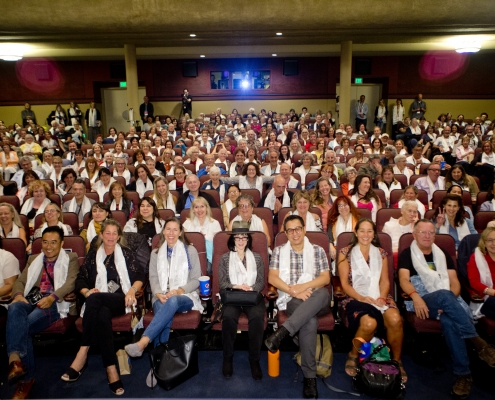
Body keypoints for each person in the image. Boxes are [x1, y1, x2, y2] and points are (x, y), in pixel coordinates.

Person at [398, 219, 495, 399]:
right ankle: (478, 342)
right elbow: (403, 279)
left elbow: (455, 283)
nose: (427, 236)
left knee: (448, 320)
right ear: (414, 234)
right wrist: (415, 297)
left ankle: (463, 375)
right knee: (444, 295)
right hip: (422, 300)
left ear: (435, 235)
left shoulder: (442, 253)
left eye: (431, 232)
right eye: (423, 232)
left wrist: (449, 301)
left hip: (446, 300)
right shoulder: (407, 254)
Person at [62, 220, 144, 396]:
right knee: (102, 314)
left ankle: (83, 351)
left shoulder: (126, 254)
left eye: (115, 233)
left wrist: (132, 290)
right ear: (101, 235)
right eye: (107, 233)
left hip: (121, 300)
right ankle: (111, 369)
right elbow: (80, 280)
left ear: (119, 236)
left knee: (95, 299)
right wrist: (86, 291)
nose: (111, 237)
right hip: (99, 304)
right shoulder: (93, 256)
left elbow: (139, 275)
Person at [124, 217, 202, 386]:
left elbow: (196, 279)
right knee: (163, 310)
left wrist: (179, 290)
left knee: (172, 302)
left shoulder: (190, 251)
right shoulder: (156, 253)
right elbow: (153, 278)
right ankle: (158, 366)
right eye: (168, 229)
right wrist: (159, 293)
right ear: (163, 231)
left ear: (180, 232)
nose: (171, 233)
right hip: (160, 297)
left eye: (175, 229)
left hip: (185, 297)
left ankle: (143, 342)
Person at [265, 215, 331, 399]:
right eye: (290, 230)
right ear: (286, 233)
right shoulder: (279, 251)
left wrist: (302, 287)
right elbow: (272, 278)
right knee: (309, 322)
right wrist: (293, 291)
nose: (295, 233)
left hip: (317, 298)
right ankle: (310, 378)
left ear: (304, 230)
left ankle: (283, 331)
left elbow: (325, 278)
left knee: (323, 293)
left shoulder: (317, 250)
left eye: (298, 229)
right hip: (292, 299)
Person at [8, 226, 78, 399]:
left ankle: (25, 377)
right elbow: (20, 281)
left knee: (22, 326)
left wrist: (52, 297)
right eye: (45, 242)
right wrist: (18, 295)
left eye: (53, 242)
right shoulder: (34, 259)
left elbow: (70, 282)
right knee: (14, 307)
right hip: (31, 299)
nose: (48, 247)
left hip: (54, 303)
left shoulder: (71, 258)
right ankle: (16, 361)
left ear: (61, 243)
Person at [338, 219, 406, 381]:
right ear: (356, 232)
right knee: (369, 323)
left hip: (379, 295)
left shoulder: (381, 253)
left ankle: (397, 361)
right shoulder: (345, 252)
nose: (365, 234)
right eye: (362, 230)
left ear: (374, 234)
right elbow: (345, 285)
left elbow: (385, 281)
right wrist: (362, 298)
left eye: (369, 231)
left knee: (395, 319)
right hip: (354, 297)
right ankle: (353, 354)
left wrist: (382, 297)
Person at [218, 223, 265, 380]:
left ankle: (254, 359)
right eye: (237, 237)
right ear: (232, 239)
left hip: (252, 295)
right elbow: (222, 282)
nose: (240, 241)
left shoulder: (257, 258)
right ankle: (227, 357)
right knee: (229, 317)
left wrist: (250, 288)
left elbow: (261, 282)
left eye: (244, 237)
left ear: (248, 239)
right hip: (233, 296)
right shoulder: (225, 258)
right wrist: (237, 286)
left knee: (257, 317)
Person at [467, 227, 495, 320]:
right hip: (486, 299)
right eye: (490, 240)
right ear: (484, 242)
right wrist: (493, 292)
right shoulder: (477, 257)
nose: (493, 243)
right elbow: (474, 282)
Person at [327, 196, 360, 268]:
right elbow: (329, 237)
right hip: (336, 251)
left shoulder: (358, 220)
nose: (343, 207)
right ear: (337, 209)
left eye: (345, 205)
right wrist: (331, 246)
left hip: (354, 250)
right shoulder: (333, 221)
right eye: (340, 206)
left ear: (350, 206)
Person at [383, 200, 418, 266]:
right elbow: (383, 246)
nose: (412, 214)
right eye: (410, 211)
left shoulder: (417, 228)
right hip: (390, 259)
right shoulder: (389, 225)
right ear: (402, 211)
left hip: (410, 259)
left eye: (414, 212)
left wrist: (416, 226)